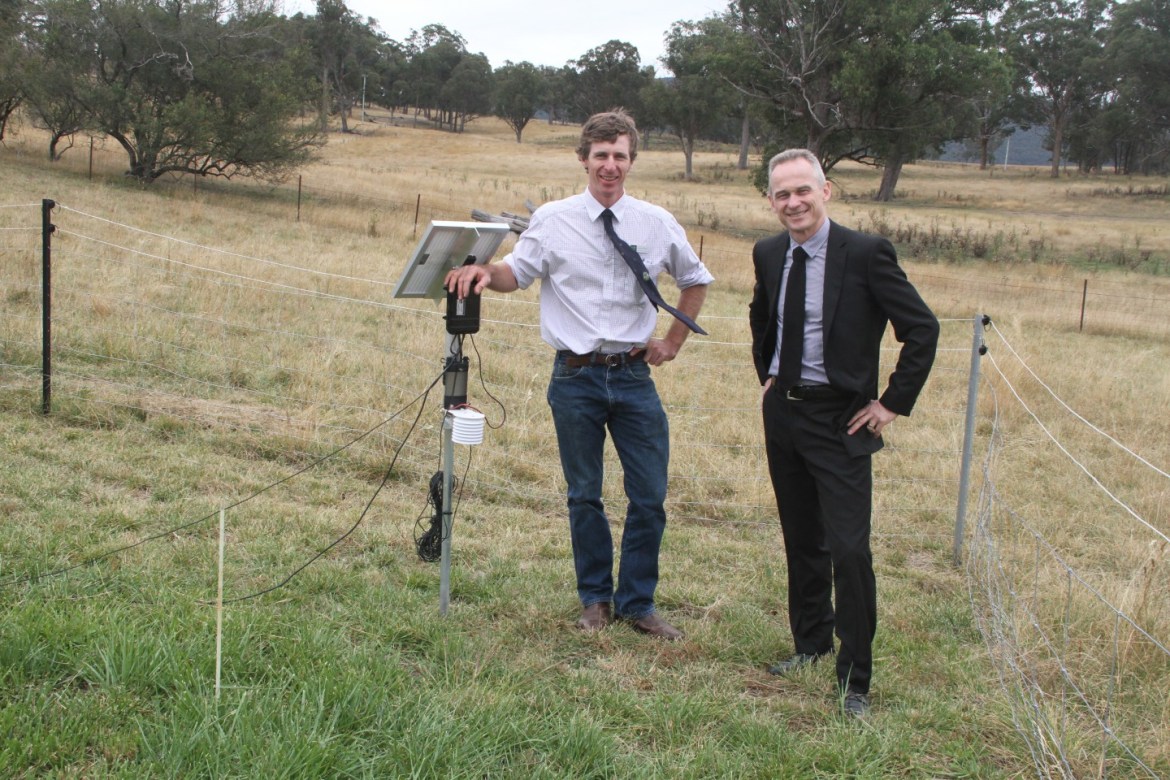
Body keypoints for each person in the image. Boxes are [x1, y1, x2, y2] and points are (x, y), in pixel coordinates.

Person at [445, 109, 713, 641]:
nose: (609, 166)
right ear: (584, 160)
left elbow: (695, 279)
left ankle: (638, 604)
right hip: (575, 377)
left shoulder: (656, 222)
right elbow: (514, 275)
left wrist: (672, 342)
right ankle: (595, 600)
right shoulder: (553, 218)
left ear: (631, 160)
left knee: (650, 496)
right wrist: (483, 271)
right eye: (600, 156)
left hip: (634, 377)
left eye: (619, 156)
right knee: (584, 494)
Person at [749, 149, 939, 716]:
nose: (793, 203)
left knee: (850, 550)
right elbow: (763, 315)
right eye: (782, 194)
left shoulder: (865, 253)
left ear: (825, 190)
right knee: (802, 538)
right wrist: (768, 375)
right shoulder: (768, 252)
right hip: (783, 414)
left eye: (802, 191)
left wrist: (890, 405)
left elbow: (921, 328)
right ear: (771, 201)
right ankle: (810, 644)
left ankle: (855, 679)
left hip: (841, 420)